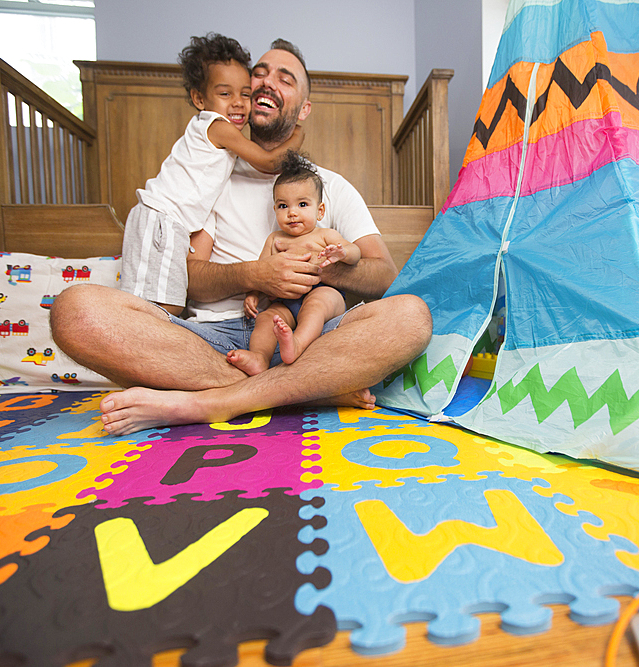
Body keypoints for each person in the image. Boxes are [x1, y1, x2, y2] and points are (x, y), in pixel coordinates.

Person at [50, 39, 432, 435]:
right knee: (73, 310)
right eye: (260, 76)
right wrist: (256, 275)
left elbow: (384, 276)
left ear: (303, 109)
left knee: (411, 317)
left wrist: (317, 270)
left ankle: (212, 401)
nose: (267, 82)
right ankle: (307, 389)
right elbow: (190, 277)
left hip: (307, 337)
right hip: (215, 339)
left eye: (285, 79)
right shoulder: (209, 177)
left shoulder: (328, 186)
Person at [120, 33, 303, 316]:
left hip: (171, 224)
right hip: (161, 219)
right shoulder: (217, 126)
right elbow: (269, 162)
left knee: (166, 307)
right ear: (199, 98)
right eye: (225, 94)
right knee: (155, 308)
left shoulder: (214, 130)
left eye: (245, 94)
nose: (239, 103)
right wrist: (298, 136)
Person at [227, 151, 359, 375]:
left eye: (302, 204)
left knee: (316, 305)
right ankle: (260, 357)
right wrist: (252, 294)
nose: (292, 213)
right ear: (275, 209)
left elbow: (356, 252)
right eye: (283, 206)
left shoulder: (325, 235)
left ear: (320, 211)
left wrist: (342, 253)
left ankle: (296, 344)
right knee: (267, 317)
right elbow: (261, 271)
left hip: (325, 293)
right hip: (286, 302)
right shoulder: (275, 239)